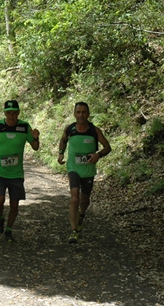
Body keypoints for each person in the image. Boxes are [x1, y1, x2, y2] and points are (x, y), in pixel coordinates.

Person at [0, 100, 40, 242]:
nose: (12, 116)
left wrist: (36, 137)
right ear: (5, 113)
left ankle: (8, 230)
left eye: (14, 113)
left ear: (18, 112)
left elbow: (35, 147)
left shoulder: (24, 127)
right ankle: (0, 217)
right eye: (9, 113)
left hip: (16, 174)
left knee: (14, 204)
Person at [57, 102, 111, 244]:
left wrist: (98, 155)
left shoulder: (94, 131)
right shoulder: (69, 129)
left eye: (84, 112)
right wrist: (61, 154)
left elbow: (107, 147)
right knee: (74, 198)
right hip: (73, 168)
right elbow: (63, 141)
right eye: (78, 112)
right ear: (74, 114)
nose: (81, 115)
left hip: (88, 171)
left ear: (88, 114)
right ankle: (74, 231)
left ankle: (81, 215)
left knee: (85, 200)